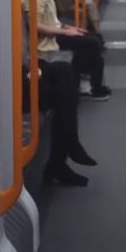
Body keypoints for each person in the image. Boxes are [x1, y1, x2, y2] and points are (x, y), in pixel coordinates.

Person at [22, 0, 111, 101]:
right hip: (49, 39)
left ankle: (89, 85)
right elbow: (35, 26)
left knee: (94, 39)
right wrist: (64, 32)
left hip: (56, 32)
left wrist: (69, 28)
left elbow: (52, 20)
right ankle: (87, 84)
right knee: (92, 43)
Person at [23, 57, 97, 187]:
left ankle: (64, 154)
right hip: (15, 86)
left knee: (65, 72)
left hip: (20, 74)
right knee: (64, 94)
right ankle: (66, 152)